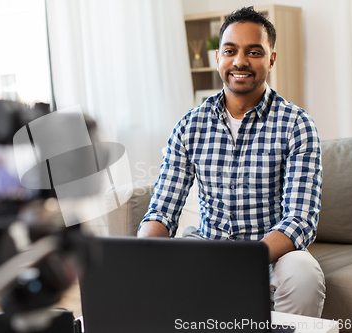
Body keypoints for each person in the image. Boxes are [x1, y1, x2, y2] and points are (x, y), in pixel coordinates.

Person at [138, 6, 325, 317]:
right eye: (230, 51)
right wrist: (142, 252)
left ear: (271, 59)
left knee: (303, 275)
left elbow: (300, 219)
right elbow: (162, 210)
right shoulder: (189, 126)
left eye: (254, 52)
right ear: (218, 58)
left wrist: (244, 260)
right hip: (209, 246)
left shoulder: (296, 124)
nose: (240, 61)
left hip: (272, 256)